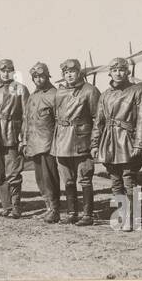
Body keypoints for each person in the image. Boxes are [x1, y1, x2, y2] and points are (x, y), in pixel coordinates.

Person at [92, 57, 142, 231]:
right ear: (110, 73)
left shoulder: (136, 91)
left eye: (122, 70)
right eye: (115, 70)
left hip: (127, 140)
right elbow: (98, 121)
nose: (118, 73)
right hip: (108, 141)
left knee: (129, 179)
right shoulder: (105, 95)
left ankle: (133, 218)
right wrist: (94, 144)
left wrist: (139, 144)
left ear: (128, 72)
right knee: (115, 181)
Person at [54, 58, 102, 226]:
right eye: (66, 73)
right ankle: (72, 213)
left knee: (85, 178)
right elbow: (56, 117)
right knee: (67, 180)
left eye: (72, 72)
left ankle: (87, 215)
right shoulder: (59, 92)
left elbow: (98, 118)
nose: (69, 75)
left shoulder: (90, 91)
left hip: (82, 141)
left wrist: (94, 142)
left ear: (79, 72)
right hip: (62, 142)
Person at [0, 58, 29, 219]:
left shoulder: (19, 88)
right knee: (0, 173)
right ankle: (6, 206)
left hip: (13, 134)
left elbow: (26, 116)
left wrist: (23, 137)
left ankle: (16, 206)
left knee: (13, 173)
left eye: (9, 70)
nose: (6, 73)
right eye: (3, 70)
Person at [22, 62, 61, 224]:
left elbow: (59, 121)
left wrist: (56, 143)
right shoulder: (33, 96)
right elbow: (26, 120)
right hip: (34, 142)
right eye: (35, 77)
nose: (38, 79)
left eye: (41, 76)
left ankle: (55, 209)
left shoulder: (55, 94)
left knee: (49, 177)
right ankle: (48, 208)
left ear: (47, 76)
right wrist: (24, 141)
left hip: (47, 143)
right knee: (40, 178)